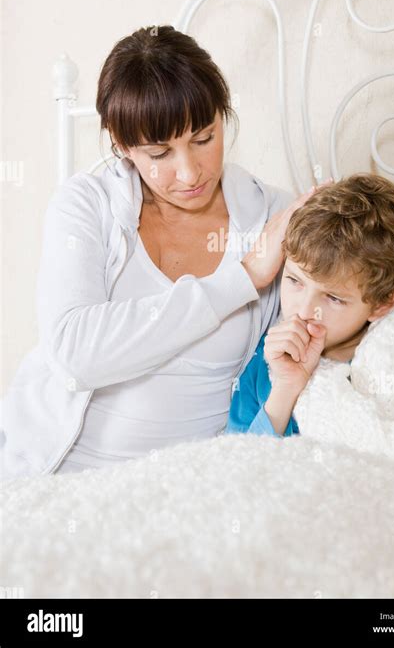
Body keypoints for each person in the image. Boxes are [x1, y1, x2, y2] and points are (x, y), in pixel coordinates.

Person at [0, 25, 318, 479]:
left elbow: (372, 306)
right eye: (159, 153)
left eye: (204, 139)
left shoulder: (272, 218)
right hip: (56, 473)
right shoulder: (86, 205)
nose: (189, 173)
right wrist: (241, 278)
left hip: (189, 487)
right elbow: (75, 353)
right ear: (123, 146)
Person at [225, 174, 394, 452]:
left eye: (333, 298)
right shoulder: (270, 358)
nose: (306, 310)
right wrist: (285, 388)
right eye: (294, 281)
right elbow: (237, 462)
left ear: (382, 304)